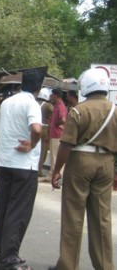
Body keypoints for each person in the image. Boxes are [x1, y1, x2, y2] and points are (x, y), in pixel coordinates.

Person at [48, 68, 117, 270]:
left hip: (80, 161)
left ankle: (68, 265)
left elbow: (66, 144)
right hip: (106, 162)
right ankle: (105, 266)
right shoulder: (115, 110)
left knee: (73, 216)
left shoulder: (79, 110)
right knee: (101, 218)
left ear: (85, 86)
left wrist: (57, 170)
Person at [0, 68, 45, 270]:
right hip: (24, 164)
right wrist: (32, 145)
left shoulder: (7, 102)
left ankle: (3, 252)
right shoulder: (32, 104)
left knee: (4, 209)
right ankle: (10, 259)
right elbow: (36, 129)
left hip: (5, 161)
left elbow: (1, 129)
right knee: (19, 212)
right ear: (39, 88)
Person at [44, 88, 67, 182]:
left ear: (56, 95)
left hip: (57, 134)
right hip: (55, 134)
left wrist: (56, 124)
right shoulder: (57, 105)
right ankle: (54, 174)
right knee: (54, 155)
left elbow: (63, 119)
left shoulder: (60, 106)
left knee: (55, 156)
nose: (51, 97)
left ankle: (54, 175)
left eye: (52, 95)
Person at [37, 88, 53, 177]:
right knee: (43, 150)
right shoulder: (48, 105)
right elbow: (55, 113)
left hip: (34, 126)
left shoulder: (34, 102)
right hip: (44, 128)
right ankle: (39, 170)